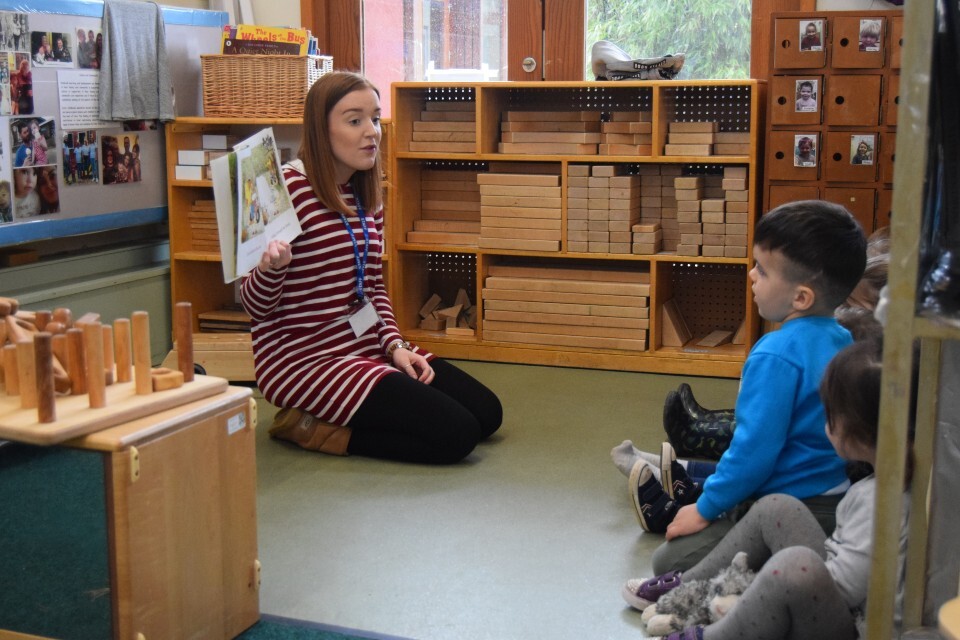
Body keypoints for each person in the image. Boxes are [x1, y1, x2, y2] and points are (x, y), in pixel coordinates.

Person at [239, 71, 502, 463]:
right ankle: (315, 431)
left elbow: (374, 287)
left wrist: (394, 346)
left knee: (486, 414)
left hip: (365, 344)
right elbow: (253, 308)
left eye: (375, 119)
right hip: (303, 359)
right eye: (354, 120)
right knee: (457, 436)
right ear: (320, 129)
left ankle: (365, 397)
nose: (372, 132)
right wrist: (272, 269)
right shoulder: (278, 192)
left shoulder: (365, 190)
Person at [625, 201, 868, 574]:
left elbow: (754, 452)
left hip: (780, 507)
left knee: (669, 563)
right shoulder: (843, 339)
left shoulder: (774, 354)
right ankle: (679, 484)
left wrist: (705, 510)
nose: (751, 275)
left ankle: (685, 499)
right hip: (834, 501)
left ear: (801, 297)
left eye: (763, 270)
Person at [621, 336, 912, 640]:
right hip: (839, 596)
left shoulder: (880, 502)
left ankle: (711, 634)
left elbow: (841, 591)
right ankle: (689, 588)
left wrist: (755, 589)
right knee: (776, 508)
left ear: (861, 428)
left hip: (850, 625)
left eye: (830, 414)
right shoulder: (879, 484)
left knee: (791, 567)